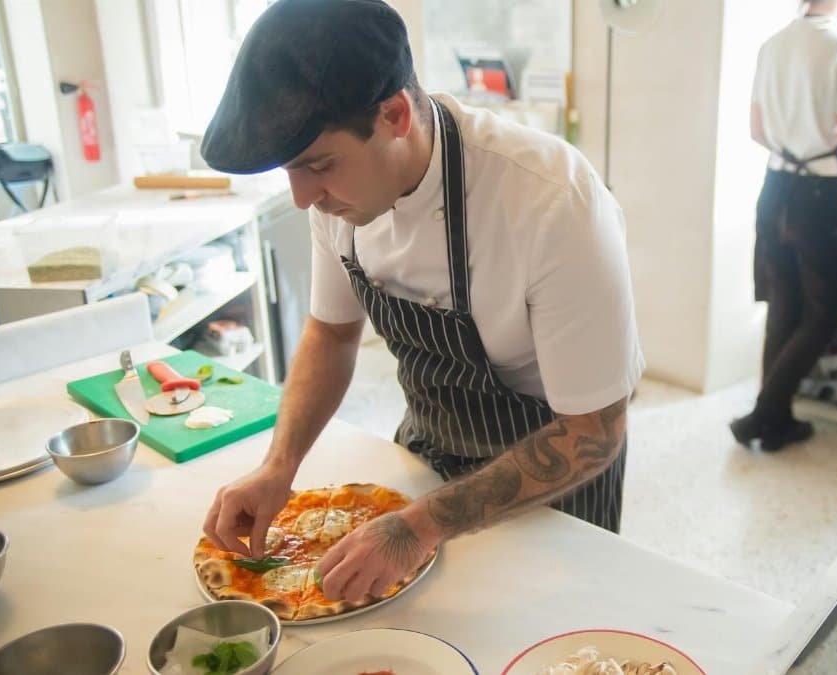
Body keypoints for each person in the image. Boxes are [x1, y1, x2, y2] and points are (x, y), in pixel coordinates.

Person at [199, 0, 643, 604]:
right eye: (289, 172)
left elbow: (595, 431)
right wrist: (279, 466)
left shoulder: (552, 202)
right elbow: (330, 335)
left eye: (318, 166)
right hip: (429, 454)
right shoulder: (339, 200)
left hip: (555, 482)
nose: (302, 198)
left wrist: (422, 524)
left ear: (395, 115)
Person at [731, 0, 837, 451]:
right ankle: (765, 413)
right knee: (824, 311)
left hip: (776, 187)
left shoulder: (772, 45)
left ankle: (775, 419)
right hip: (818, 195)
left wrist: (793, 147)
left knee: (783, 306)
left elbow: (756, 131)